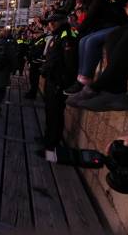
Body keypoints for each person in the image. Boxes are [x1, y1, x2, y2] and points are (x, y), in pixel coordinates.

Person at [40, 13, 77, 153]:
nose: (49, 25)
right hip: (51, 79)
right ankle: (47, 138)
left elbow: (70, 63)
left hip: (58, 81)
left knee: (55, 113)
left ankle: (52, 145)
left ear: (60, 22)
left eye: (52, 22)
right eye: (49, 22)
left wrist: (63, 82)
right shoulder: (57, 35)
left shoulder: (67, 35)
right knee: (49, 111)